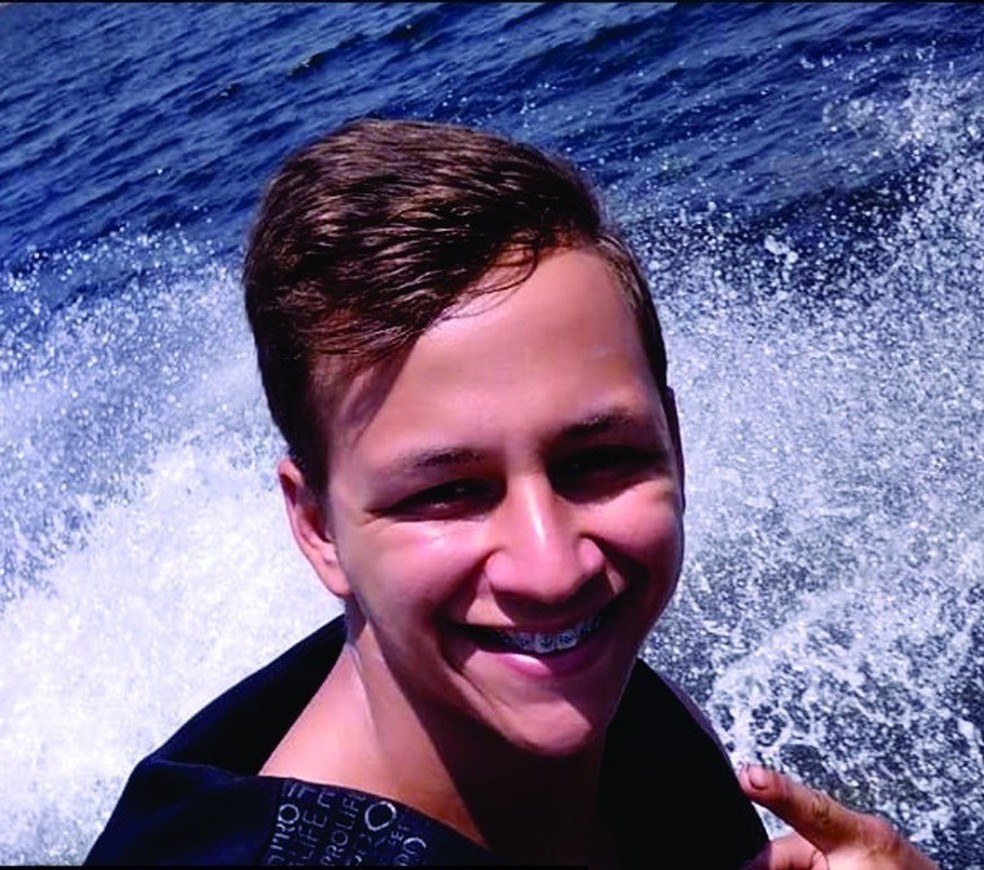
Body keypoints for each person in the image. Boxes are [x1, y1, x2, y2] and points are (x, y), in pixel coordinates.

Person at [85, 119, 938, 868]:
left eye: (598, 459)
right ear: (317, 528)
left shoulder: (640, 727)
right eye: (448, 491)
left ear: (673, 446)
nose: (553, 569)